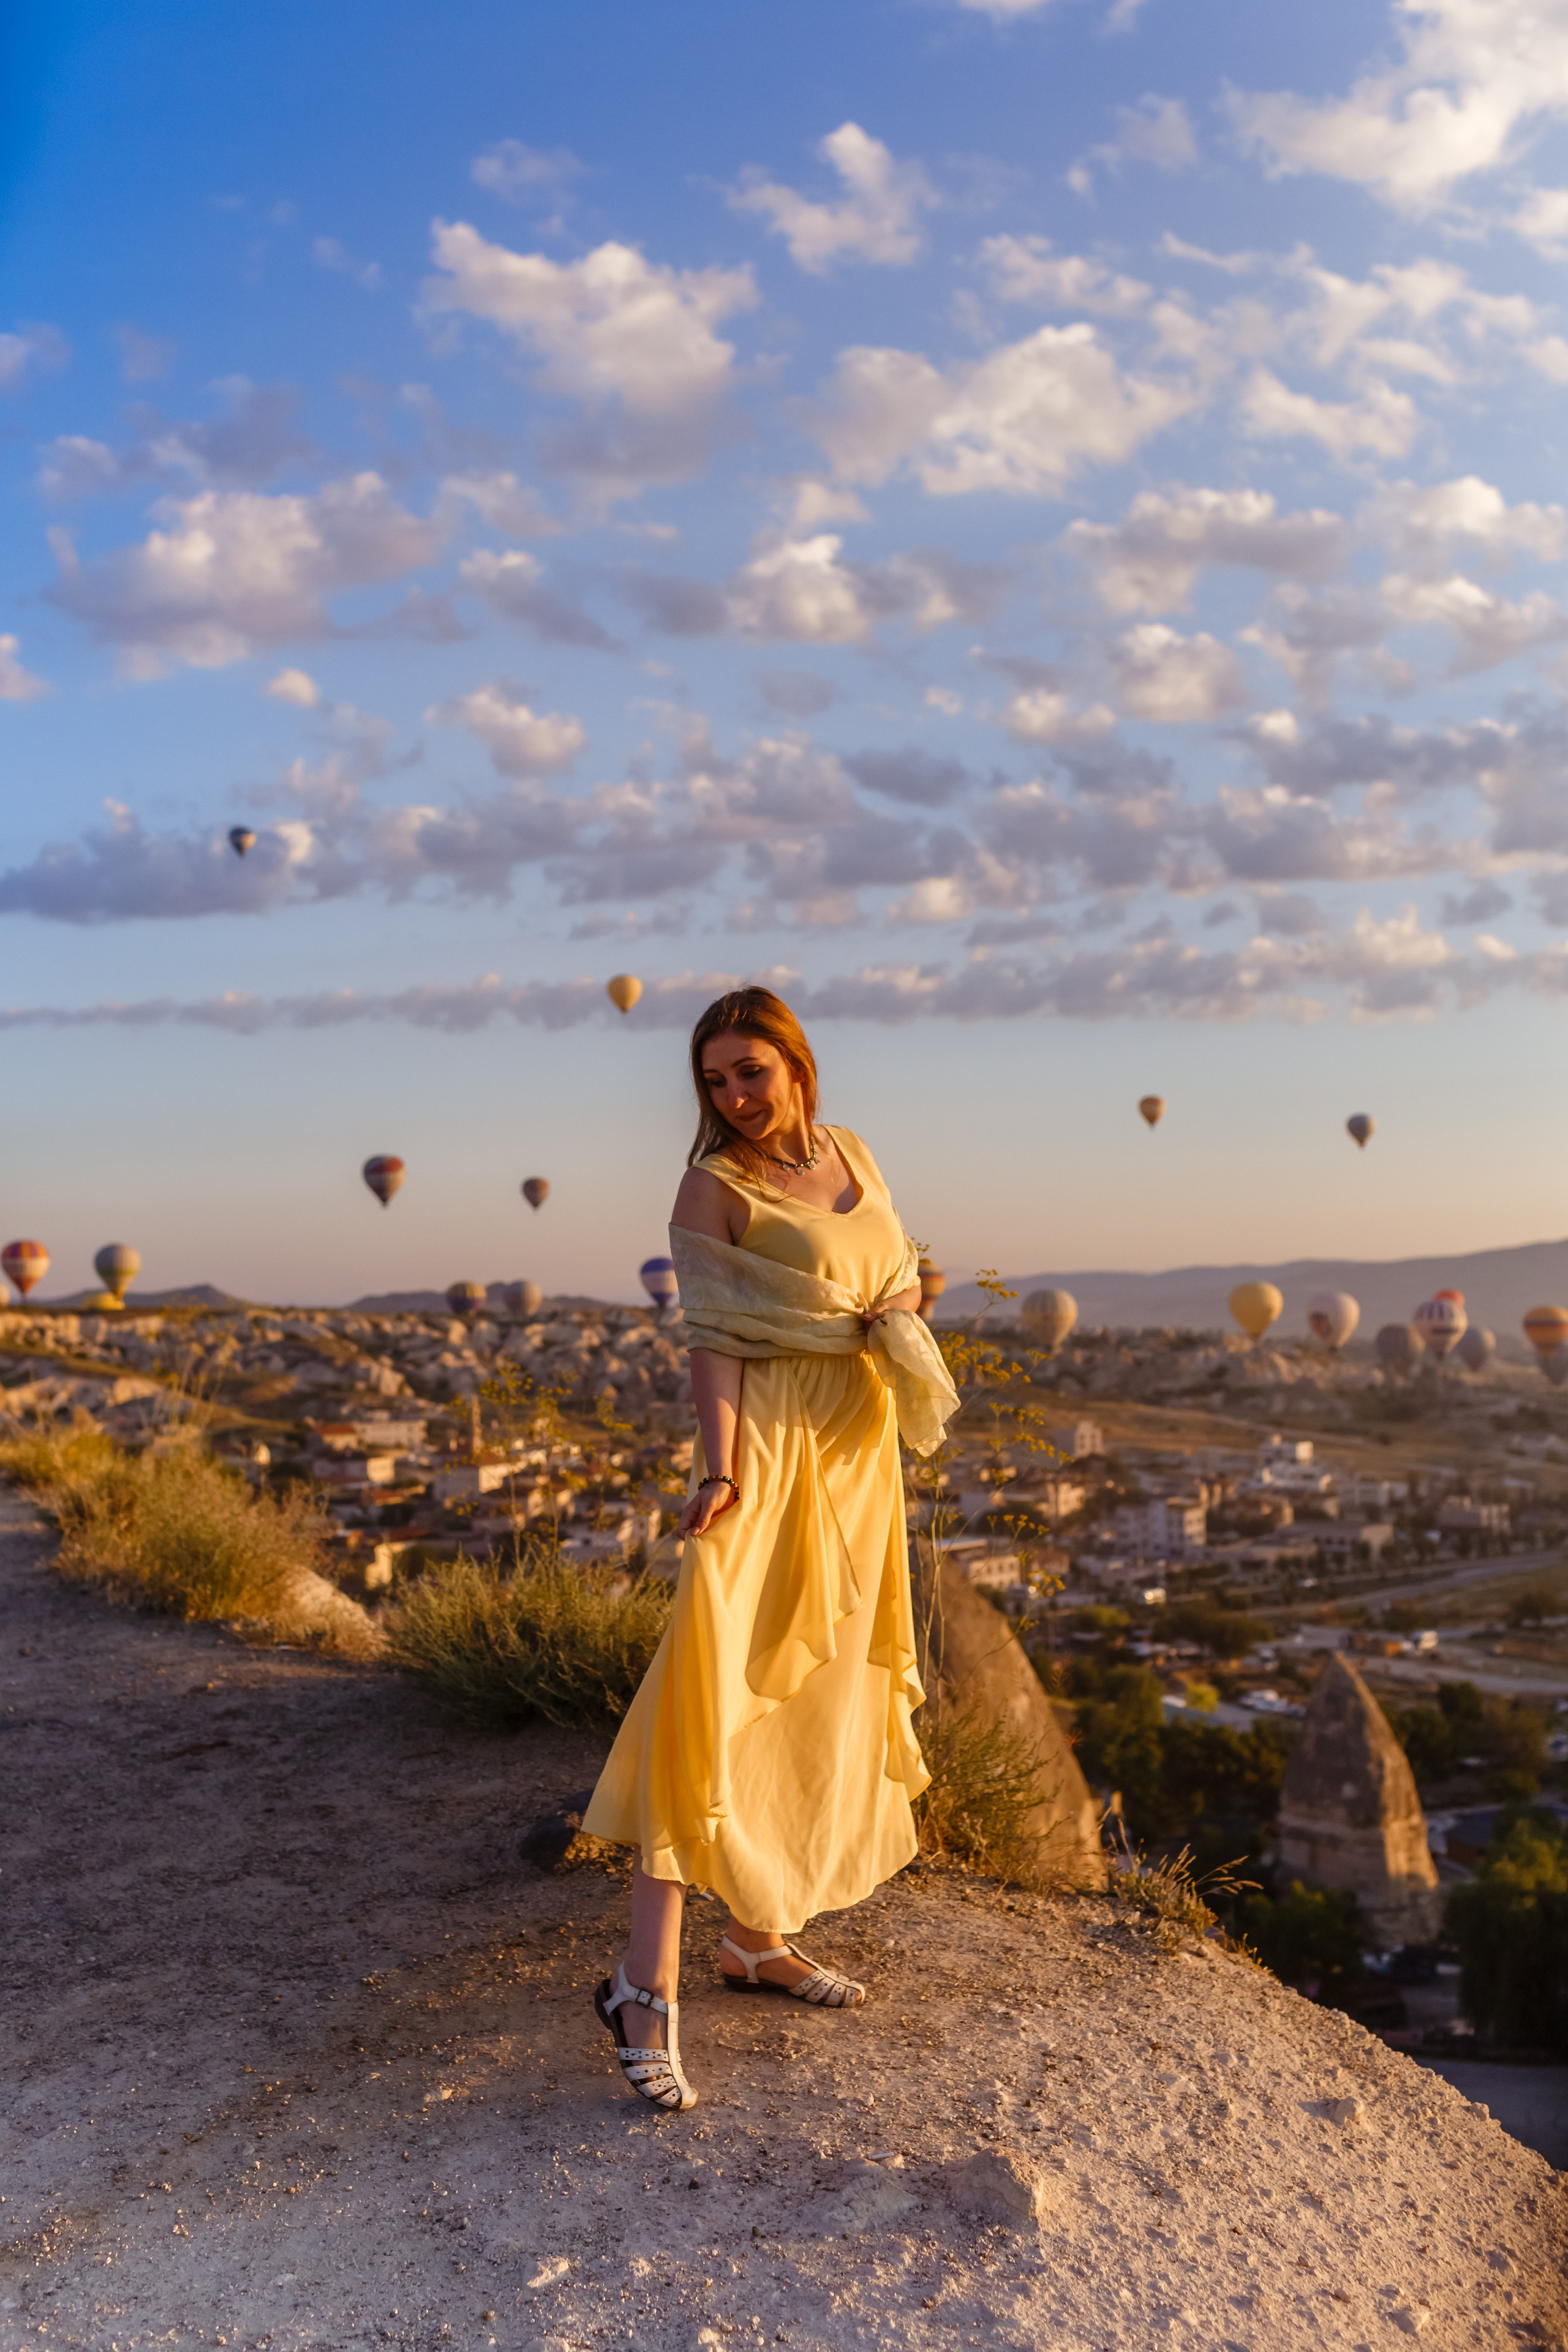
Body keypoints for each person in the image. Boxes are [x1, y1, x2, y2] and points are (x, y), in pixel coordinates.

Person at [582, 986, 959, 2112]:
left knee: (825, 1682)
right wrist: (722, 1470)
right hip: (774, 1446)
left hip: (860, 1443)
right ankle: (642, 1984)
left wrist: (899, 1311)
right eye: (715, 1081)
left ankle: (756, 1939)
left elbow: (892, 1277)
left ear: (798, 1065)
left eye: (752, 1072)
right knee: (710, 1679)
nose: (736, 1097)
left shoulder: (855, 1152)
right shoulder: (713, 1188)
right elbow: (716, 1342)